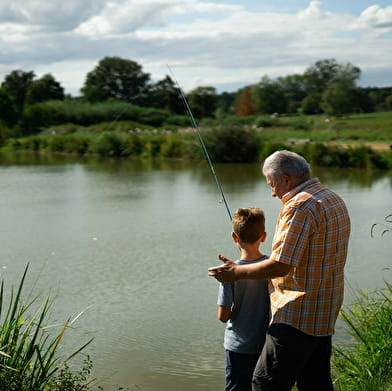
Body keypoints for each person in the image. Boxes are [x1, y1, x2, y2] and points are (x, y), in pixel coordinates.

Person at [209, 150, 351, 391]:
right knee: (314, 382)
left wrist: (235, 273)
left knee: (266, 383)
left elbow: (280, 265)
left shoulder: (299, 206)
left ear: (286, 179)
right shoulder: (332, 197)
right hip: (325, 309)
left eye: (272, 184)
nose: (272, 192)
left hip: (296, 315)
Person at [217, 207, 270, 391]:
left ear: (234, 237)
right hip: (266, 346)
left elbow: (223, 316)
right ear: (263, 236)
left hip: (238, 347)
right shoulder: (273, 267)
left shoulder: (230, 273)